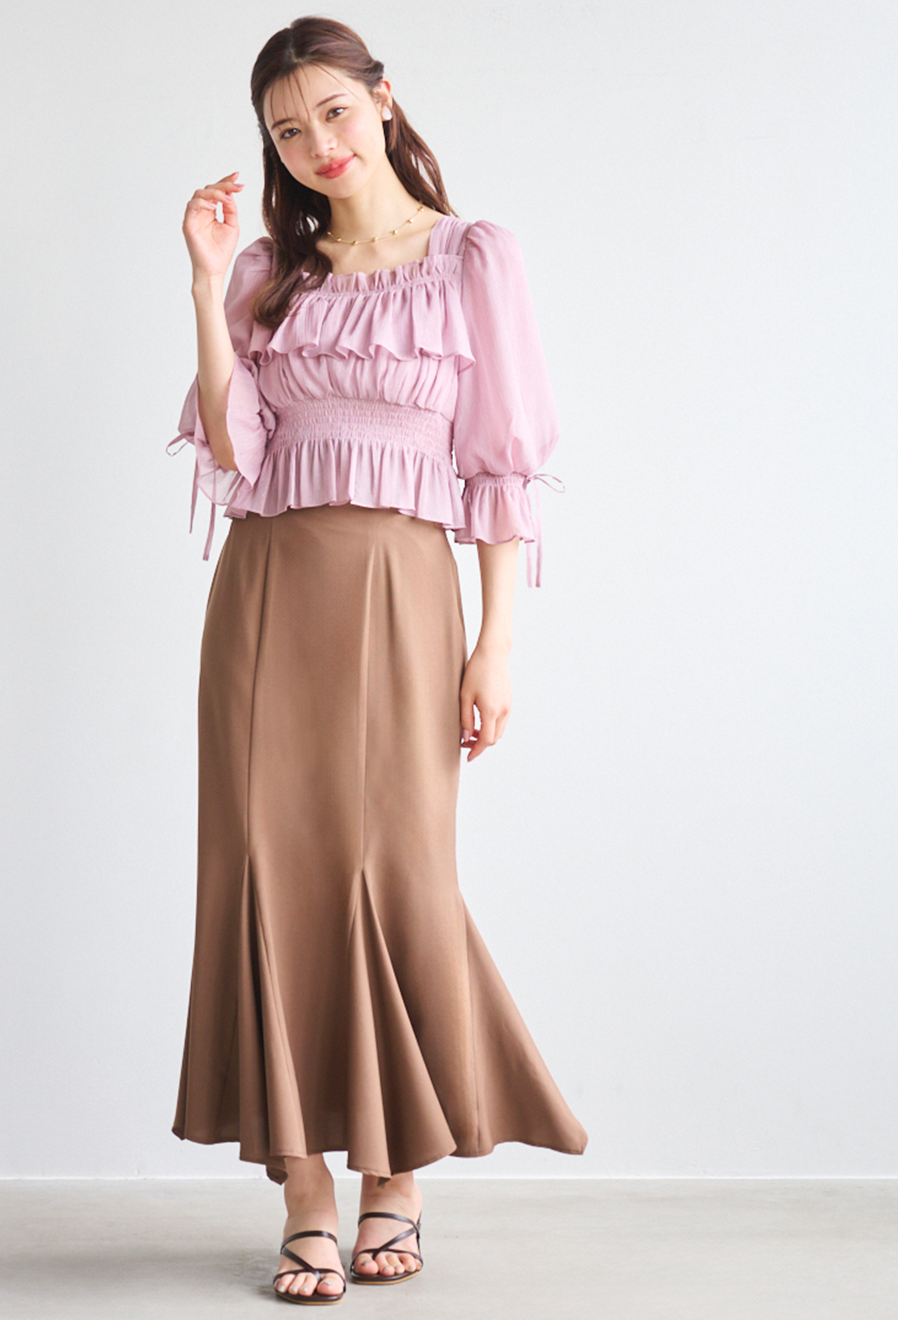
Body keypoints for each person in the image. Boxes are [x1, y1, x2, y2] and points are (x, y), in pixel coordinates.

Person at [167, 16, 588, 1306]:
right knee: (262, 871)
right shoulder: (266, 273)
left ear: (384, 100)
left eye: (334, 113)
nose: (318, 146)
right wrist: (205, 285)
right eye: (288, 131)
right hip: (265, 597)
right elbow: (234, 452)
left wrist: (495, 640)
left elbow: (501, 465)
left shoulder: (472, 258)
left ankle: (395, 1177)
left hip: (405, 597)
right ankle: (305, 1191)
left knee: (392, 868)